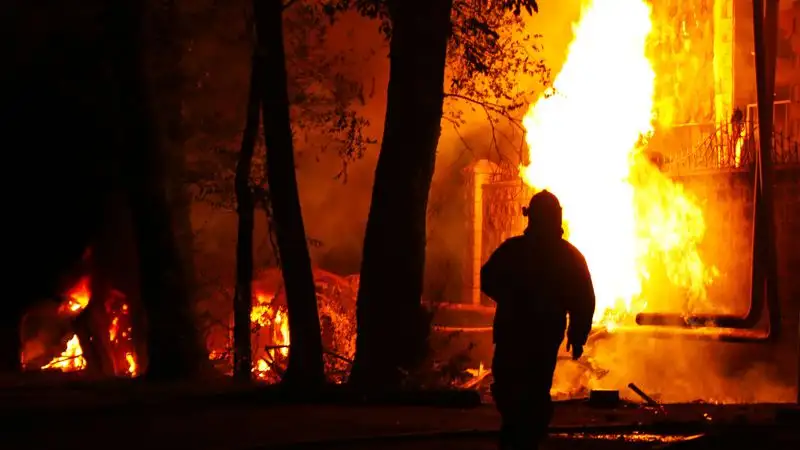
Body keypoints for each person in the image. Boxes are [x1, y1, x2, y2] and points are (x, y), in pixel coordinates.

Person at [481, 190, 596, 449]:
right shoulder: (569, 256)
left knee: (513, 388)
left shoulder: (513, 250)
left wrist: (509, 297)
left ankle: (520, 434)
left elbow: (488, 278)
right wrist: (577, 337)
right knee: (534, 388)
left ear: (530, 217)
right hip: (543, 335)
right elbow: (583, 300)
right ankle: (529, 433)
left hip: (514, 333)